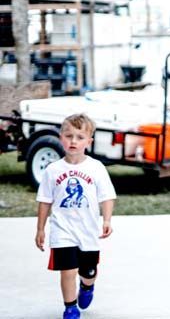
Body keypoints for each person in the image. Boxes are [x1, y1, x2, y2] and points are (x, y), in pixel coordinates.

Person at [35, 113, 116, 319]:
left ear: (89, 141)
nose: (73, 141)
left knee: (88, 272)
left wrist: (106, 219)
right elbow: (45, 200)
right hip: (62, 230)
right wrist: (40, 229)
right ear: (60, 137)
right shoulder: (52, 170)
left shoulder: (96, 168)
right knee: (67, 271)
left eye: (80, 137)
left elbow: (107, 196)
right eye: (69, 135)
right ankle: (70, 307)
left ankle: (87, 287)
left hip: (88, 231)